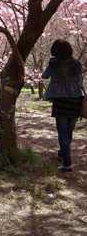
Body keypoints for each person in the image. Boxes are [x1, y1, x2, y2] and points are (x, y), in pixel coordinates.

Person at [42, 39, 84, 173]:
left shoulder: (53, 63)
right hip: (76, 98)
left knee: (62, 132)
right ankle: (61, 154)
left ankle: (67, 164)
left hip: (60, 100)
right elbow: (80, 78)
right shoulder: (76, 62)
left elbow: (44, 76)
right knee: (69, 131)